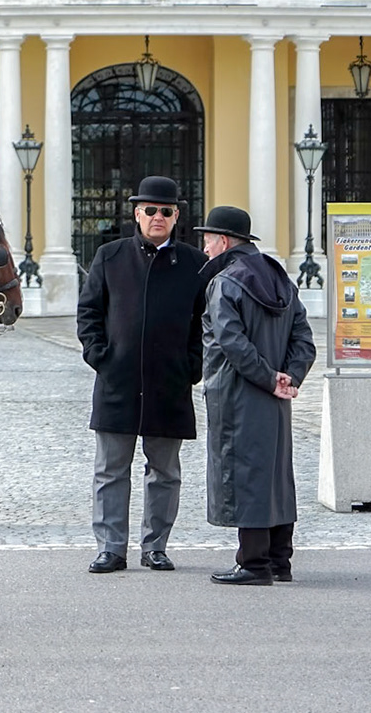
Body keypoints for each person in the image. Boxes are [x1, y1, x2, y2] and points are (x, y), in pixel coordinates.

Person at [75, 175, 207, 573]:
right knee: (110, 470)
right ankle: (111, 548)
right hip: (119, 381)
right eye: (150, 210)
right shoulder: (110, 257)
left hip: (170, 383)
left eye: (165, 211)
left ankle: (156, 546)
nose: (157, 217)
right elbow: (89, 313)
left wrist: (191, 366)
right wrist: (101, 356)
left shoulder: (194, 264)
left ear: (176, 216)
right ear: (137, 214)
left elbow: (205, 321)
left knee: (164, 471)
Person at [194, 205, 317, 586]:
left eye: (209, 241)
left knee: (244, 471)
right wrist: (289, 377)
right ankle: (281, 560)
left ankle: (253, 562)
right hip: (276, 397)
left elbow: (231, 342)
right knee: (276, 472)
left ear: (225, 241)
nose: (206, 249)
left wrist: (268, 378)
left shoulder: (226, 282)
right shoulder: (281, 280)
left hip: (238, 393)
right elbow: (304, 340)